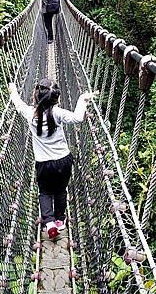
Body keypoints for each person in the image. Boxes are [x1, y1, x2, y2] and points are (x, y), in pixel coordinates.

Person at [9, 79, 98, 240]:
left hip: (44, 163)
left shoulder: (31, 113)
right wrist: (83, 99)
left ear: (36, 96)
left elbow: (18, 104)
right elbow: (78, 118)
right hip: (63, 161)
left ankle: (49, 223)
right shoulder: (58, 113)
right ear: (56, 99)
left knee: (45, 192)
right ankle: (59, 221)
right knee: (60, 191)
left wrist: (13, 90)